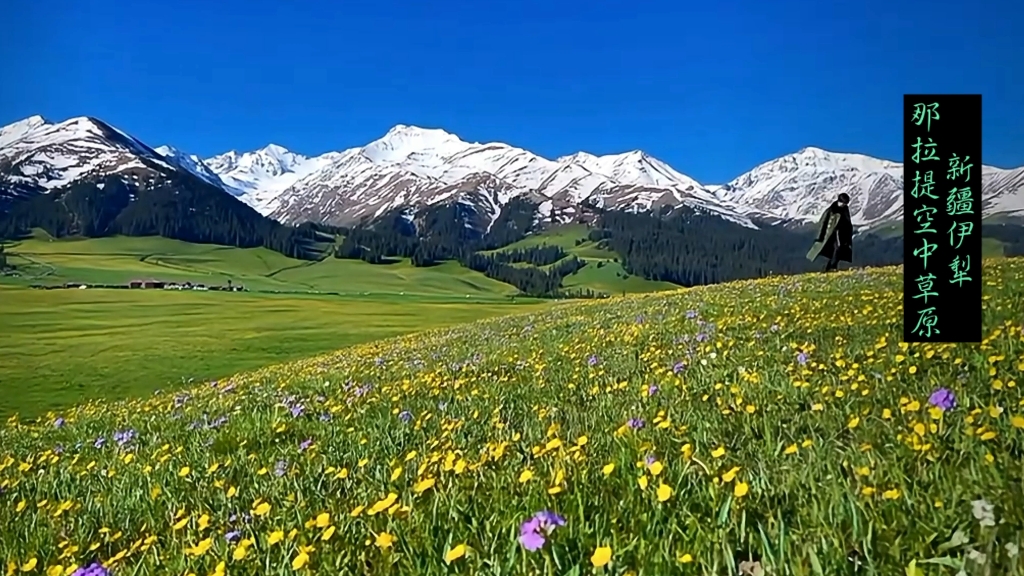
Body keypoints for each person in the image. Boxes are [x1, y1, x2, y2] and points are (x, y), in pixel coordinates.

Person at [806, 193, 853, 272]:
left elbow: (848, 222)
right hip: (830, 234)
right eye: (843, 203)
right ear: (839, 201)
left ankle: (831, 267)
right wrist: (820, 236)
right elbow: (823, 223)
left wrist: (849, 233)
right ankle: (831, 267)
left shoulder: (845, 209)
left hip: (841, 234)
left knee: (838, 250)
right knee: (835, 249)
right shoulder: (831, 210)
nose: (844, 205)